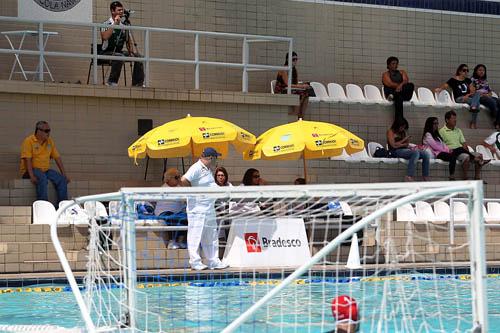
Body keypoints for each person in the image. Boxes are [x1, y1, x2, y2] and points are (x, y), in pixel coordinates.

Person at [180, 147, 228, 270]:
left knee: (211, 235)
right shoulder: (196, 167)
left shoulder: (207, 169)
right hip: (198, 209)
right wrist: (194, 192)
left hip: (208, 208)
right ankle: (195, 262)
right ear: (210, 158)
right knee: (195, 235)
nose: (216, 160)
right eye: (215, 157)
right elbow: (183, 180)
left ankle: (213, 261)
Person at [20, 121, 69, 205]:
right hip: (30, 170)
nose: (48, 133)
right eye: (46, 131)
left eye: (49, 130)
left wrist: (64, 175)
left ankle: (62, 206)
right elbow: (27, 160)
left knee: (62, 180)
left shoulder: (50, 142)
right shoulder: (29, 141)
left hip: (45, 170)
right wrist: (31, 176)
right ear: (38, 131)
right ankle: (43, 206)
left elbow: (57, 158)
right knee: (42, 178)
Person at [101, 1, 144, 87]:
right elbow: (105, 37)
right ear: (113, 11)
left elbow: (128, 41)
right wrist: (115, 24)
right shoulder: (106, 23)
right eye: (119, 10)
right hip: (107, 52)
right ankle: (112, 82)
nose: (121, 12)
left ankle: (137, 83)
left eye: (122, 10)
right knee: (119, 57)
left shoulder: (124, 25)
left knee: (139, 57)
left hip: (119, 51)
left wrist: (131, 51)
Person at [439, 110, 487, 180]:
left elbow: (464, 143)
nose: (455, 120)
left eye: (455, 118)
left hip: (461, 150)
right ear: (447, 120)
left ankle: (477, 177)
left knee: (479, 155)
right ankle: (465, 177)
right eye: (453, 118)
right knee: (466, 156)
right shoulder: (441, 131)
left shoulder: (458, 130)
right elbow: (441, 145)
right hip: (453, 152)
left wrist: (467, 151)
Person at [435, 64, 480, 129]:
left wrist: (467, 95)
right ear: (459, 71)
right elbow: (444, 86)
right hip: (459, 98)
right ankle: (473, 122)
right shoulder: (453, 80)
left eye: (467, 70)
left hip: (467, 98)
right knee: (477, 103)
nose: (466, 72)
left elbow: (473, 91)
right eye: (464, 70)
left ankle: (473, 107)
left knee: (477, 94)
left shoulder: (468, 80)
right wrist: (439, 89)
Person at [155, 168, 187, 249]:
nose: (179, 179)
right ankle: (172, 240)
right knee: (172, 217)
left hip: (178, 212)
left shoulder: (180, 188)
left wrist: (182, 184)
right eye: (176, 177)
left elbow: (187, 198)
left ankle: (180, 241)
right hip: (163, 212)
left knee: (184, 218)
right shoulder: (163, 188)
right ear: (168, 179)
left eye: (180, 177)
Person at [274, 51, 311, 118]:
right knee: (301, 94)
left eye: (296, 59)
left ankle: (301, 115)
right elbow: (287, 84)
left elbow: (295, 83)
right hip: (282, 90)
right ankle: (295, 113)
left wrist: (304, 85)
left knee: (307, 93)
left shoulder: (294, 70)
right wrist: (302, 86)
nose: (295, 61)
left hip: (290, 89)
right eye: (293, 59)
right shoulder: (284, 69)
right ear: (288, 60)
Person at [382, 56, 414, 120]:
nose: (395, 65)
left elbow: (406, 80)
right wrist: (400, 85)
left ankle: (394, 94)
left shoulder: (402, 72)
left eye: (396, 63)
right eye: (393, 64)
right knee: (399, 99)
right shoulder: (385, 74)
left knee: (411, 85)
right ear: (388, 65)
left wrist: (400, 85)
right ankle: (399, 120)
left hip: (396, 94)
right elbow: (390, 84)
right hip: (390, 93)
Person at [471, 64, 500, 129]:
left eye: (483, 70)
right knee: (492, 102)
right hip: (479, 97)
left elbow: (490, 92)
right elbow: (472, 92)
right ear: (476, 71)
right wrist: (484, 95)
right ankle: (494, 115)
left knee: (499, 101)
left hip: (487, 96)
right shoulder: (472, 80)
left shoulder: (485, 81)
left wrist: (487, 95)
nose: (482, 72)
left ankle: (497, 123)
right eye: (480, 70)